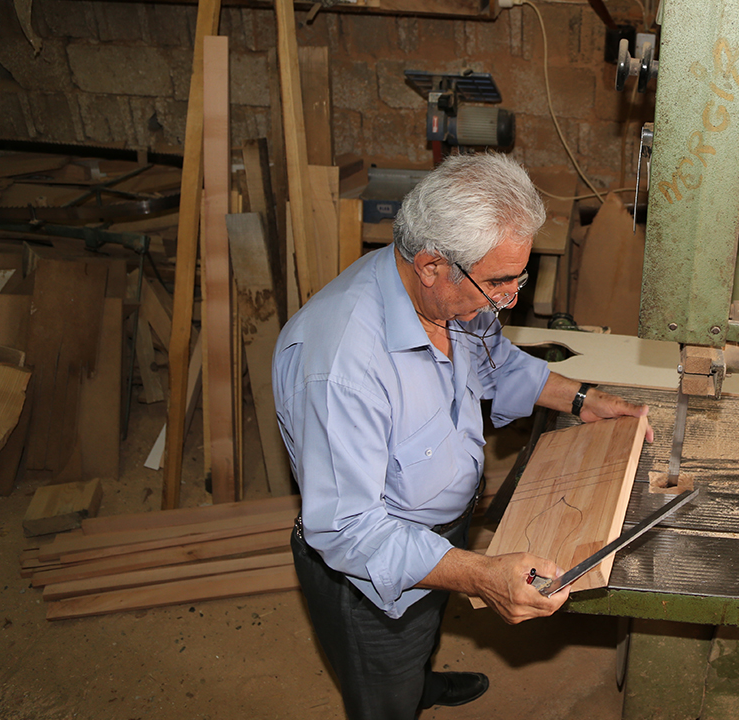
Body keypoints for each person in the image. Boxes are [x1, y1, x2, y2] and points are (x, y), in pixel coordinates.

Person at [272, 153, 652, 719]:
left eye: (520, 277)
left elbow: (496, 361)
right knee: (383, 684)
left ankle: (417, 681)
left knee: (419, 636)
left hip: (436, 538)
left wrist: (581, 398)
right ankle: (400, 697)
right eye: (499, 282)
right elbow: (350, 529)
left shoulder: (453, 297)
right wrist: (479, 573)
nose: (509, 299)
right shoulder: (343, 367)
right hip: (369, 566)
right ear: (430, 266)